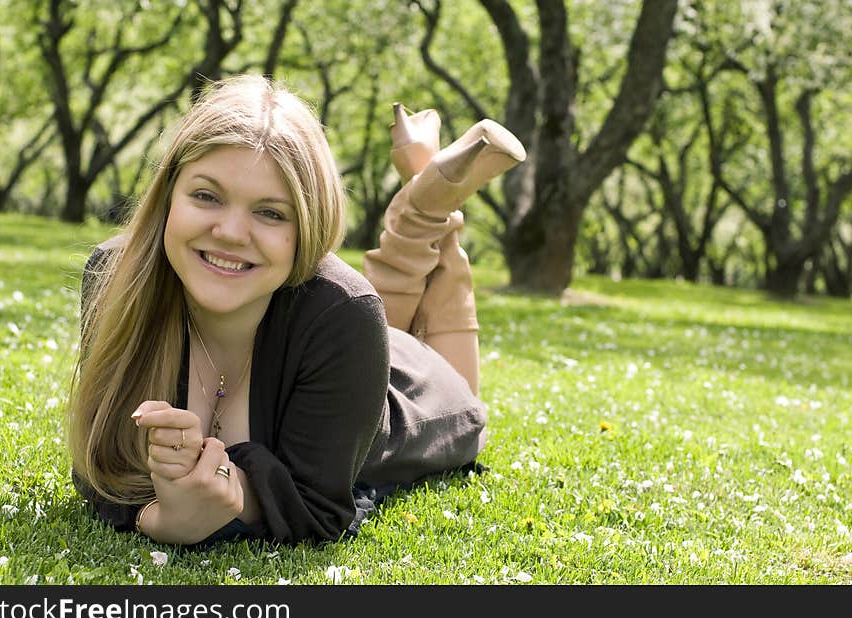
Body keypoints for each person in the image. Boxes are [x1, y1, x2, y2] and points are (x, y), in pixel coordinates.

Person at [66, 74, 525, 546]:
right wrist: (159, 517)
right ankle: (421, 185)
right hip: (336, 331)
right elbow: (103, 459)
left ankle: (427, 209)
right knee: (362, 307)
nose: (229, 232)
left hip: (410, 389)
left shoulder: (345, 313)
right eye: (206, 196)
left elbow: (319, 508)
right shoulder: (115, 278)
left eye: (270, 213)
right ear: (168, 197)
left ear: (306, 227)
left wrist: (232, 494)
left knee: (460, 396)